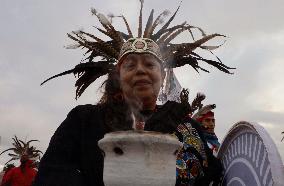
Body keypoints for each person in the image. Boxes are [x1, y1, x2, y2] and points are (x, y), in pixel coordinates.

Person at [34, 1, 234, 185]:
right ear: (118, 77)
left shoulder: (187, 125)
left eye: (149, 64)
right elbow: (51, 173)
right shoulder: (84, 121)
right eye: (130, 66)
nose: (140, 70)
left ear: (162, 76)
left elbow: (214, 176)